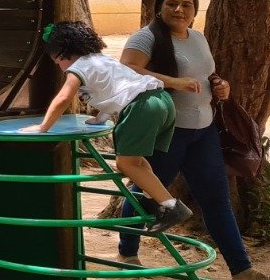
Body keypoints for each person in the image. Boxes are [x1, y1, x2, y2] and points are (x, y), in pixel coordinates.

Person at [115, 0, 270, 280]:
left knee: (217, 200)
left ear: (195, 10)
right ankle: (127, 254)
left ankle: (243, 271)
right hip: (167, 133)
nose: (179, 10)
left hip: (203, 132)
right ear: (159, 8)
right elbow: (126, 70)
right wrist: (172, 82)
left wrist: (221, 86)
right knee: (146, 192)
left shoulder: (197, 37)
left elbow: (205, 74)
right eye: (171, 4)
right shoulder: (147, 37)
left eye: (186, 5)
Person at [21, 20, 191, 235]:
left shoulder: (77, 68)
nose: (59, 66)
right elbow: (115, 91)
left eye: (57, 62)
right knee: (136, 161)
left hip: (143, 107)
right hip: (162, 101)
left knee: (125, 164)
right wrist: (100, 118)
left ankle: (171, 206)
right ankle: (153, 198)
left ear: (63, 54)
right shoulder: (102, 60)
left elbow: (63, 98)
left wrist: (43, 127)